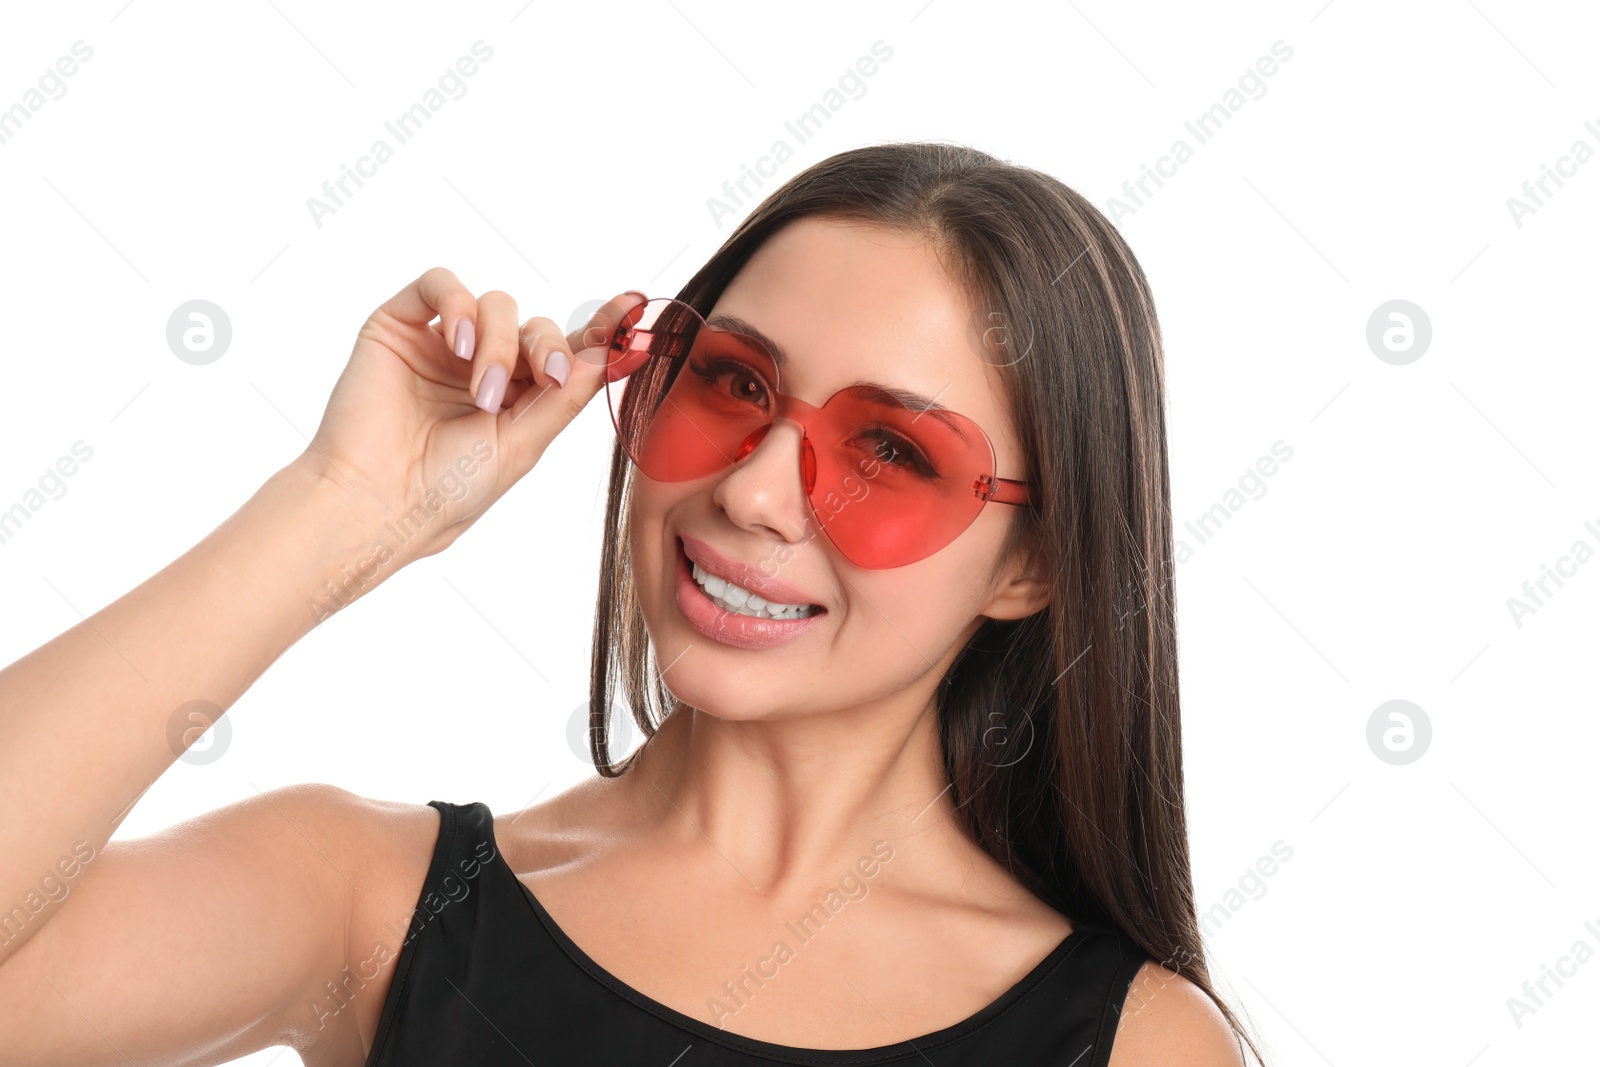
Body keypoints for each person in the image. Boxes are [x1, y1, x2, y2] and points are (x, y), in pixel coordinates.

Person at [0, 142, 1263, 1065]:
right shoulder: (374, 903)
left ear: (1032, 562)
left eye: (889, 452)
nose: (762, 491)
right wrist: (338, 510)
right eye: (732, 382)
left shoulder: (1131, 1043)